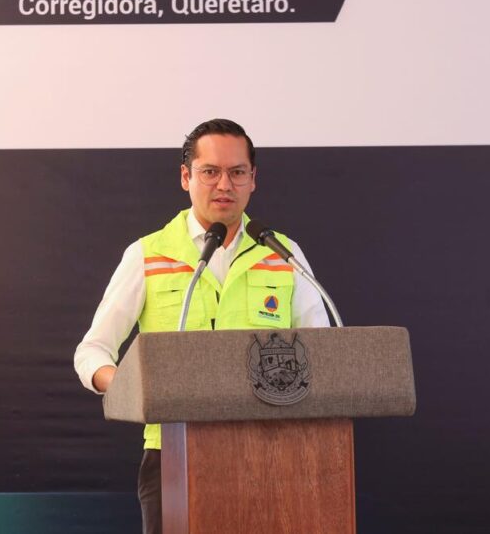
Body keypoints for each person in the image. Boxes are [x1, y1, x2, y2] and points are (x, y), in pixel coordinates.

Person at [73, 118, 329, 534]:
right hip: (173, 452)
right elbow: (91, 352)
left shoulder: (283, 253)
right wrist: (128, 388)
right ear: (186, 177)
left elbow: (323, 353)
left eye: (237, 172)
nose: (224, 185)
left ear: (253, 179)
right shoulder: (148, 254)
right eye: (210, 171)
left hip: (271, 451)